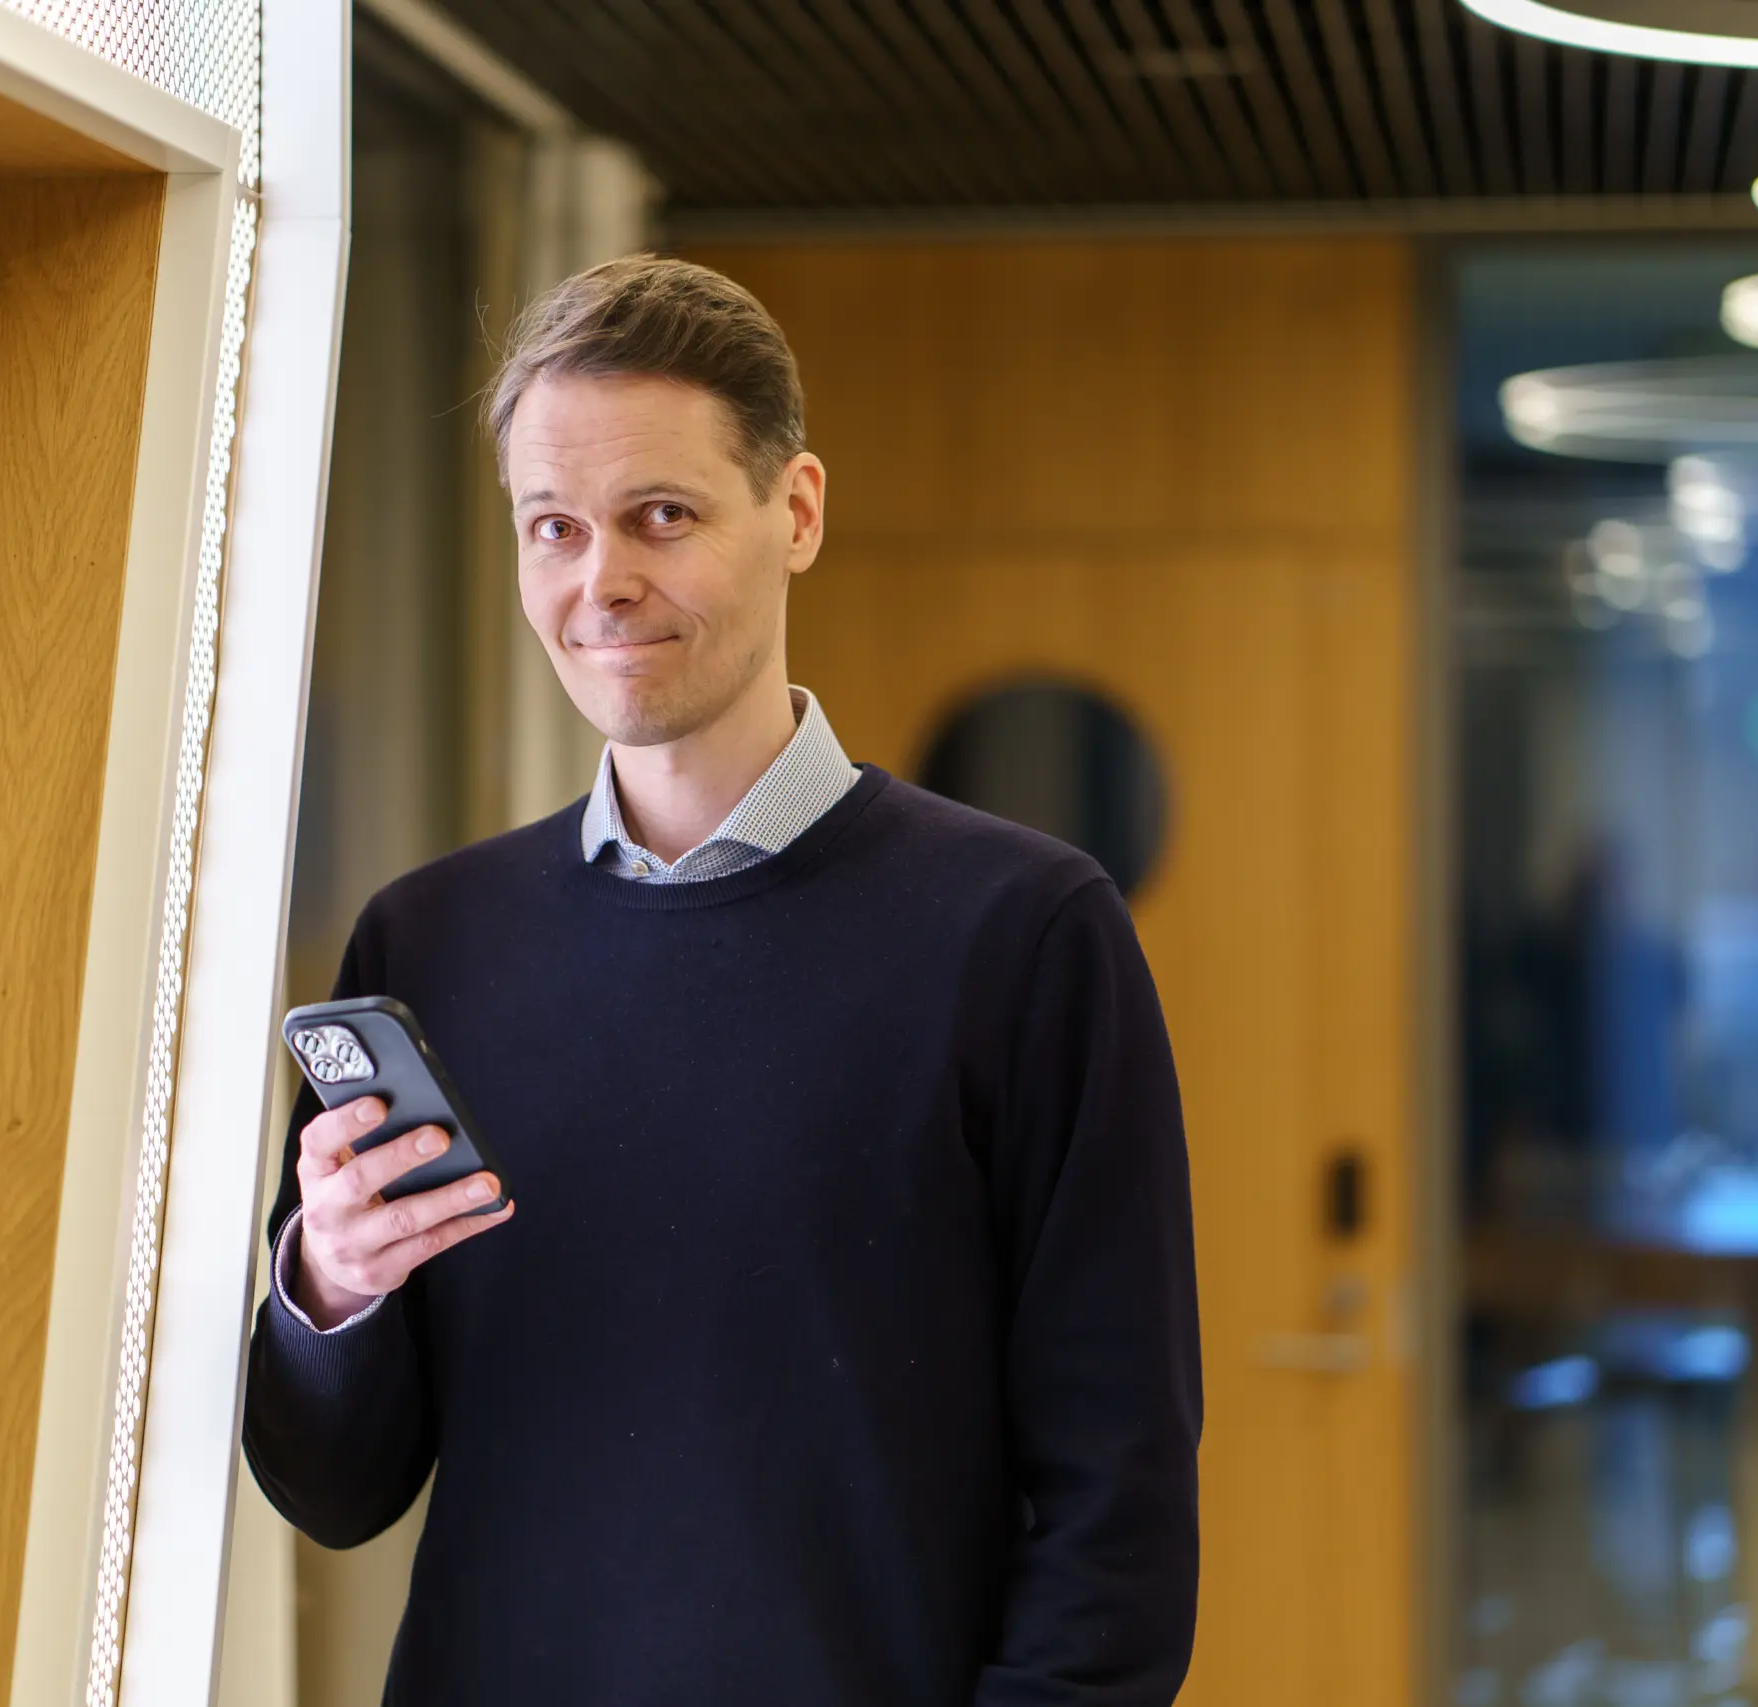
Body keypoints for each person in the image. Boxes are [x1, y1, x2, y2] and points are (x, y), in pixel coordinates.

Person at [242, 255, 1202, 1705]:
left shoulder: (1023, 934)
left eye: (662, 516)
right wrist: (330, 1287)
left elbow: (1116, 1502)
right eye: (554, 527)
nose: (601, 581)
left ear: (796, 511)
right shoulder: (429, 943)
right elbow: (335, 1487)